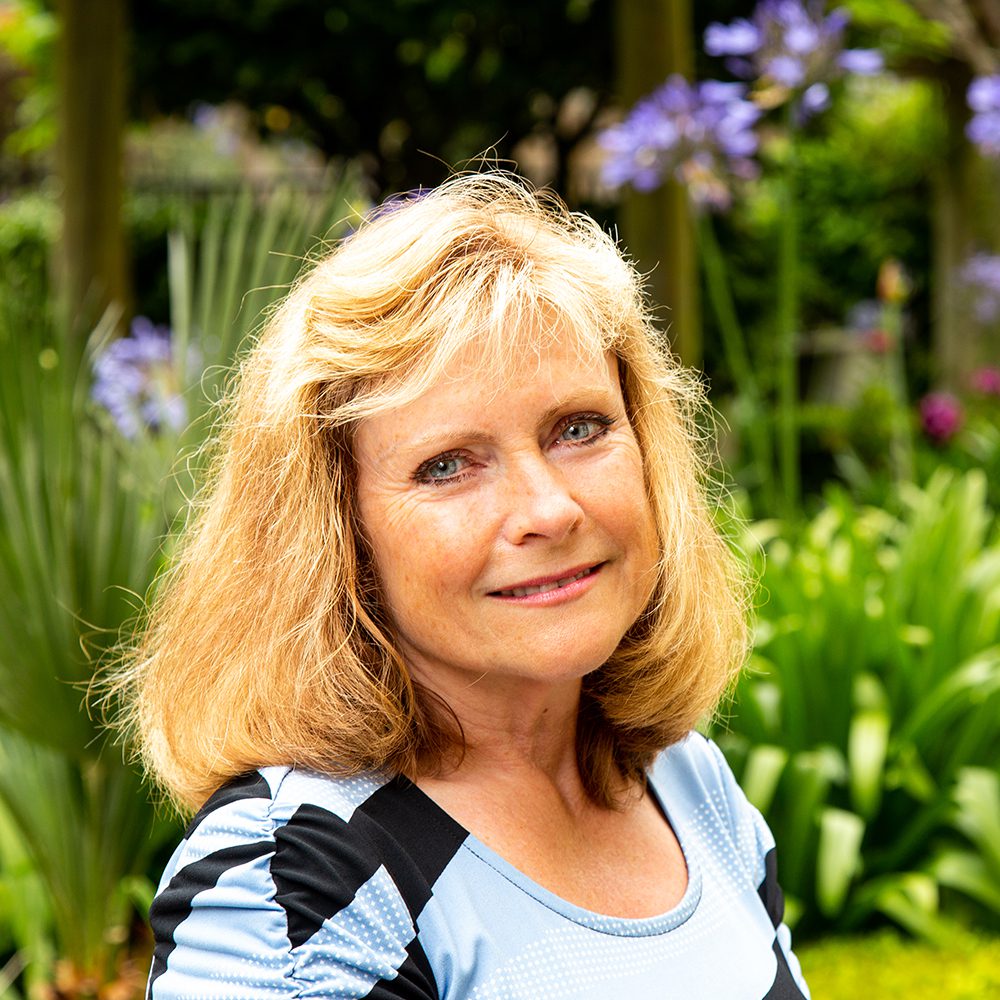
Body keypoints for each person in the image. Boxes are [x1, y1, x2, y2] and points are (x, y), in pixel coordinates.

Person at [122, 173, 810, 999]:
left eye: (579, 429)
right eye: (448, 465)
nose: (548, 511)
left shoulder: (690, 785)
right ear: (337, 533)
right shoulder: (296, 885)